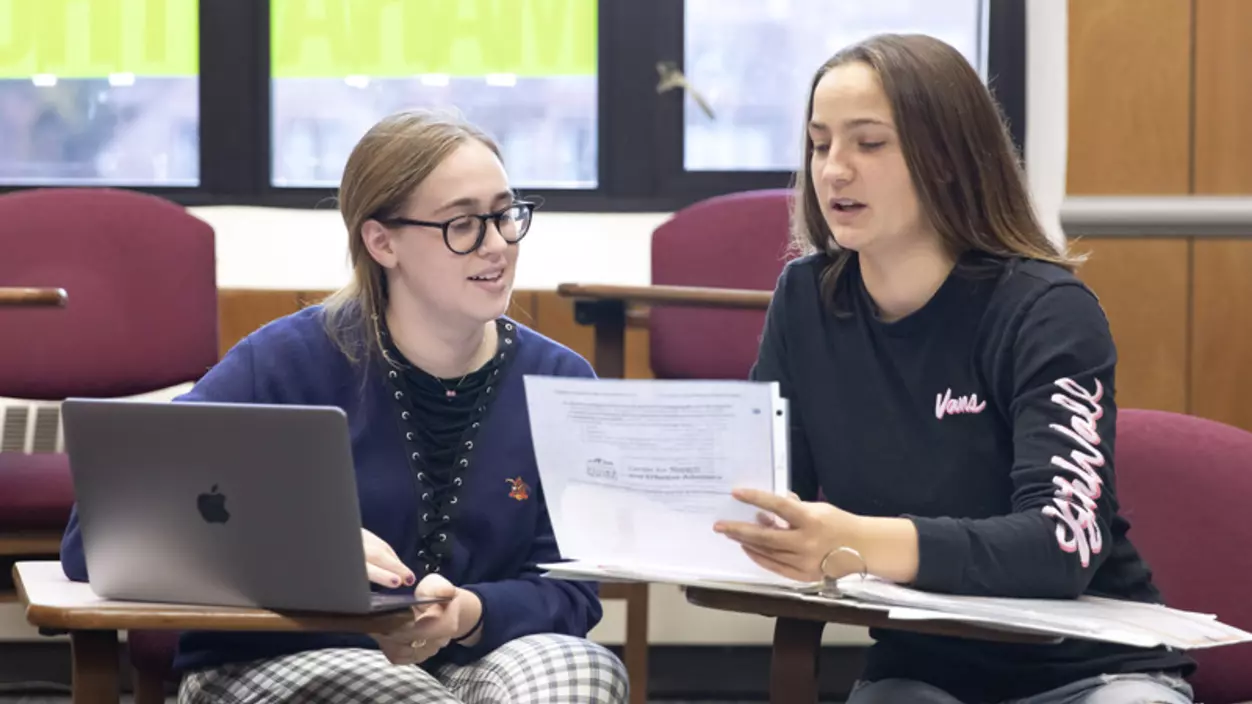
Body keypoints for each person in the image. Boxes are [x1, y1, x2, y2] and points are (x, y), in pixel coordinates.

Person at [58, 108, 629, 704]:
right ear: (382, 241)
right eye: (463, 224)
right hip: (283, 657)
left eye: (506, 215)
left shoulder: (560, 379)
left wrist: (470, 612)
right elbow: (95, 539)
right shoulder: (282, 361)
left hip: (474, 653)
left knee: (583, 674)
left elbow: (571, 589)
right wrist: (299, 546)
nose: (497, 245)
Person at [712, 34, 1196, 704]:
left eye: (869, 143)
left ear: (944, 158)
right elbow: (771, 497)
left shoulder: (1047, 310)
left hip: (1091, 668)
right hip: (925, 668)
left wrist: (854, 540)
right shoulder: (803, 299)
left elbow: (1061, 544)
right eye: (821, 143)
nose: (834, 170)